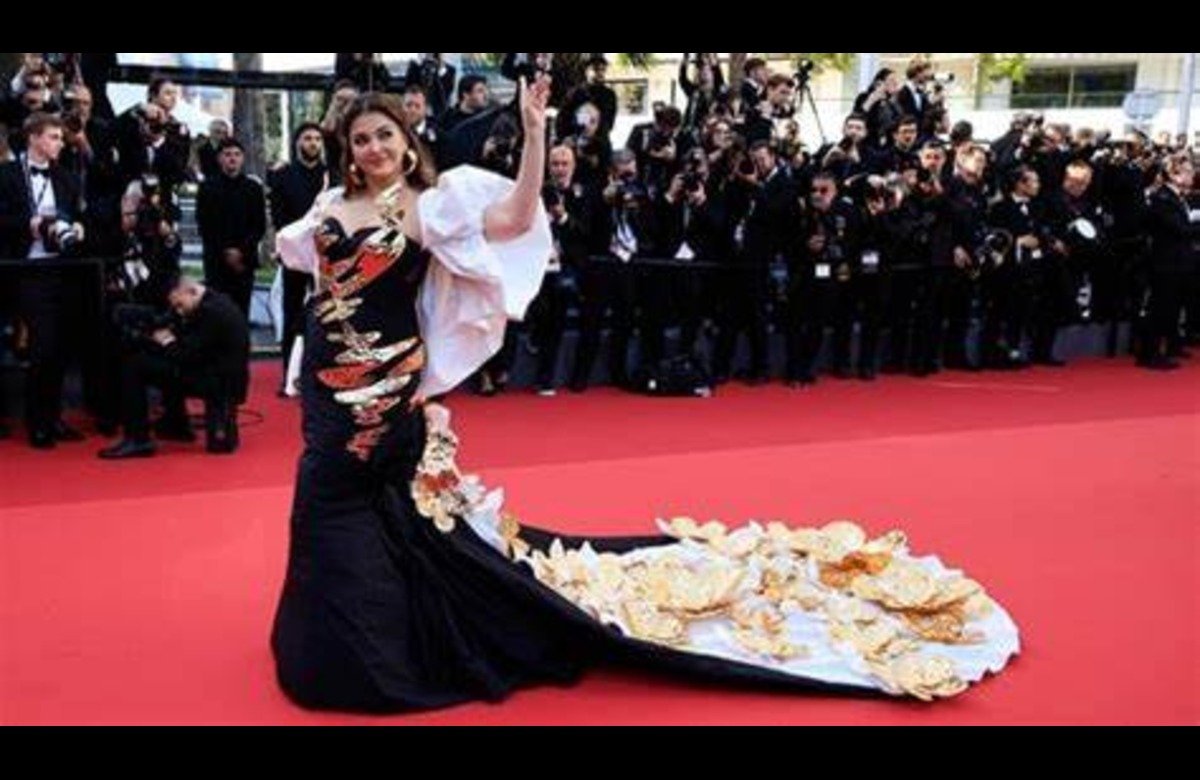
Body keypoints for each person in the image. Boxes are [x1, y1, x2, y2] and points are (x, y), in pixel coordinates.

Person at [270, 84, 1020, 714]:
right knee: (343, 497)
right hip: (330, 381)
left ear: (407, 144)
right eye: (361, 138)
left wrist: (535, 133)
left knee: (339, 496)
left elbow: (518, 218)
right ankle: (362, 623)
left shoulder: (434, 206)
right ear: (348, 150)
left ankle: (356, 647)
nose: (374, 147)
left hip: (387, 383)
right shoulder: (331, 202)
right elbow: (301, 260)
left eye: (385, 135)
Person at [98, 277, 250, 459]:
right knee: (163, 361)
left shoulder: (211, 313)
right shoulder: (217, 302)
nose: (178, 311)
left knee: (136, 366)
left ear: (191, 291)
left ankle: (138, 438)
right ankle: (176, 423)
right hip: (220, 376)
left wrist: (165, 340)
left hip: (218, 382)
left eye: (179, 305)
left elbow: (185, 355)